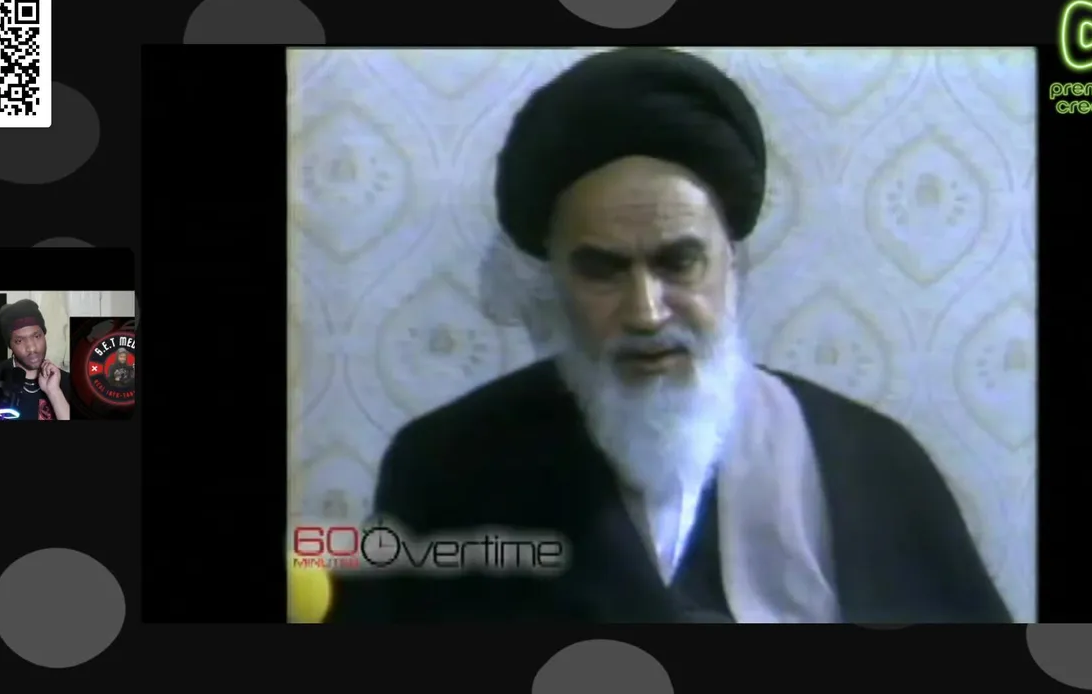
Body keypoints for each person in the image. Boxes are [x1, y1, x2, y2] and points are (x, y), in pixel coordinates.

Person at [327, 48, 1013, 624]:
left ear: (733, 263)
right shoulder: (447, 466)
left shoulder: (872, 461)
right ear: (554, 279)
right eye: (602, 270)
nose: (647, 312)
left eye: (679, 262)